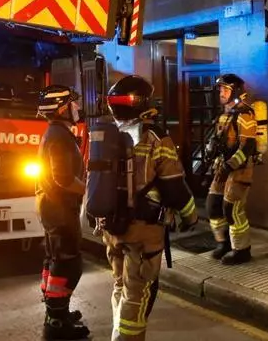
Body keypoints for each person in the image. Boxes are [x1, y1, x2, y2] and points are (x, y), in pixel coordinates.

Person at [100, 75, 199, 340]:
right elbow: (174, 187)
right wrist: (191, 216)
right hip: (142, 234)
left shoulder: (105, 134)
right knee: (139, 294)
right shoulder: (156, 138)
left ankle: (116, 333)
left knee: (120, 285)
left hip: (112, 230)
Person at [35, 85, 89, 340]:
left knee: (54, 258)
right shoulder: (58, 136)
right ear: (62, 108)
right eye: (72, 103)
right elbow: (64, 178)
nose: (77, 107)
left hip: (51, 206)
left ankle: (57, 312)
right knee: (67, 263)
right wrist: (89, 192)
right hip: (59, 208)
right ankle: (56, 323)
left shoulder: (56, 132)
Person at [206, 73, 258, 265]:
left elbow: (248, 146)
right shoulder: (225, 113)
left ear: (235, 91)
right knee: (213, 205)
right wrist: (211, 146)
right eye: (220, 89)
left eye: (225, 89)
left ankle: (242, 249)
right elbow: (218, 138)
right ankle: (224, 243)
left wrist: (231, 165)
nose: (221, 93)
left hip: (240, 169)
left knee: (232, 209)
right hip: (223, 168)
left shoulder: (245, 113)